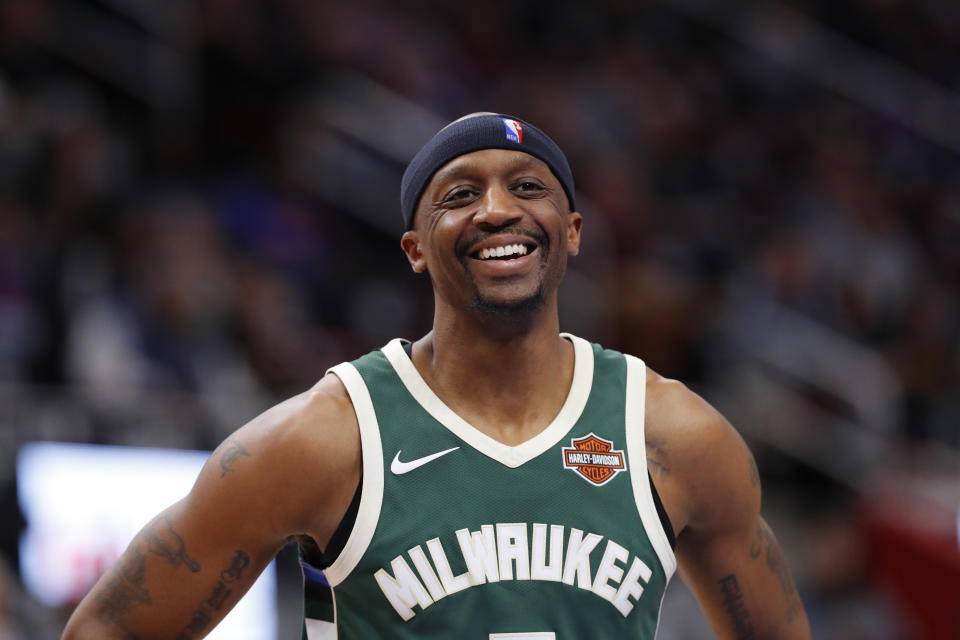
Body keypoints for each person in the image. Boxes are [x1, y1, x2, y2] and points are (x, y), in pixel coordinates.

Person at [62, 112, 811, 639]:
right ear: (416, 248)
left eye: (528, 186)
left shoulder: (672, 435)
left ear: (573, 233)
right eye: (459, 195)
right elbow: (110, 629)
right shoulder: (328, 437)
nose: (496, 210)